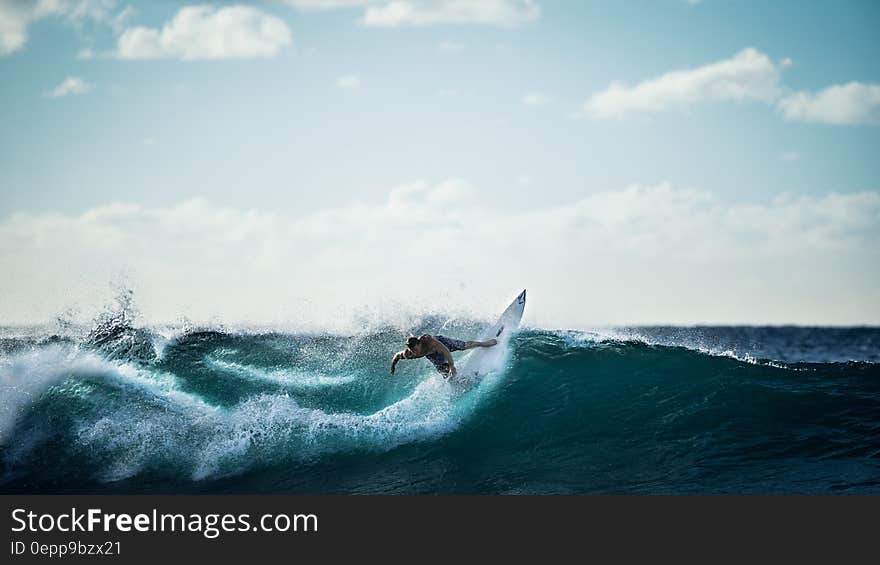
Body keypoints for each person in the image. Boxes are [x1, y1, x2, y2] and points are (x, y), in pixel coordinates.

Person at [390, 334, 497, 378]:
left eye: (415, 349)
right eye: (412, 350)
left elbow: (445, 351)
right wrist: (393, 366)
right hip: (432, 355)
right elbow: (396, 356)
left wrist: (452, 366)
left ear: (419, 344)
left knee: (463, 346)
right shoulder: (409, 354)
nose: (414, 352)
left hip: (442, 343)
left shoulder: (429, 341)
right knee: (445, 374)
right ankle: (460, 382)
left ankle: (485, 343)